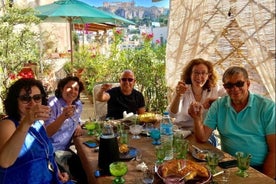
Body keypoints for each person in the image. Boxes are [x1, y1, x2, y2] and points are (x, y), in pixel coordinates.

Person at [188, 66, 275, 179]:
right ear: (225, 87)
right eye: (229, 85)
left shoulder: (267, 107)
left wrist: (264, 179)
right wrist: (197, 118)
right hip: (228, 165)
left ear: (248, 84)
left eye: (239, 84)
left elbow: (274, 150)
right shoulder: (218, 106)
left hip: (260, 167)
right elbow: (202, 137)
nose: (234, 89)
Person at [0, 78, 72, 183]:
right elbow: (5, 162)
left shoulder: (38, 123)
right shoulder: (7, 124)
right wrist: (26, 122)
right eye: (25, 98)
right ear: (15, 101)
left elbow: (47, 153)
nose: (32, 103)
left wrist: (57, 172)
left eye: (37, 98)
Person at [168, 58, 225, 146]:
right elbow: (172, 114)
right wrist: (178, 95)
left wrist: (215, 101)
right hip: (181, 133)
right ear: (190, 74)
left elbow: (232, 98)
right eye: (196, 73)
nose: (199, 77)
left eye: (203, 73)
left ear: (208, 75)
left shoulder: (214, 89)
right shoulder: (183, 88)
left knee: (206, 153)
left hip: (204, 134)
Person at [45, 76, 87, 184]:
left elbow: (76, 119)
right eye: (69, 88)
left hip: (65, 151)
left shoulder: (78, 105)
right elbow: (47, 132)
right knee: (67, 179)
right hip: (50, 152)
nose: (72, 91)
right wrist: (63, 116)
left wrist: (78, 125)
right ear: (61, 89)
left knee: (87, 170)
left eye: (76, 89)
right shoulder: (52, 103)